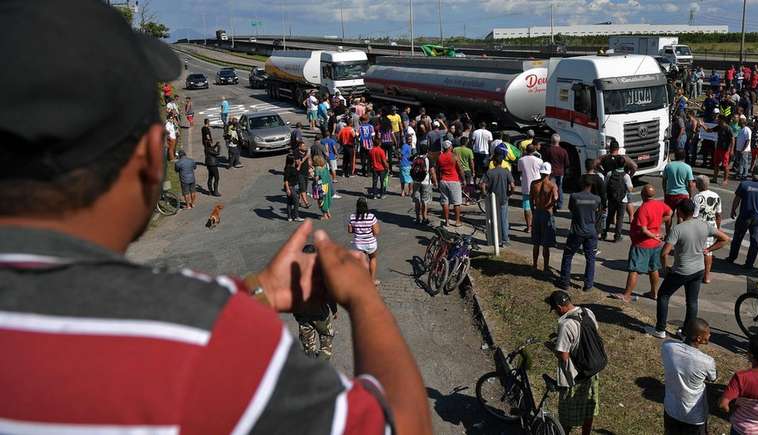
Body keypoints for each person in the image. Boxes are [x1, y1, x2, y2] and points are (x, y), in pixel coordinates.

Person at [0, 2, 433, 432]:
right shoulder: (200, 336)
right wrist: (363, 296)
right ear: (153, 158)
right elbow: (401, 424)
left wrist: (259, 291)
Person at [644, 200, 729, 339]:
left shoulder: (678, 229)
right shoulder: (704, 224)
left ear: (680, 212)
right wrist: (708, 249)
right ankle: (687, 333)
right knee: (692, 302)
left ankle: (660, 329)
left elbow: (664, 253)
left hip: (681, 270)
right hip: (699, 269)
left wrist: (665, 268)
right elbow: (725, 239)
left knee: (664, 295)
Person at [548, 291, 601, 435]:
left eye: (555, 310)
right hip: (592, 370)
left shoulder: (566, 324)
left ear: (559, 307)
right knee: (588, 410)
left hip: (575, 376)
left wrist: (554, 348)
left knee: (566, 417)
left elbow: (564, 356)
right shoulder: (587, 312)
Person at [661, 318, 717, 435]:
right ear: (699, 338)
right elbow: (713, 378)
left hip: (671, 409)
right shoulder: (707, 361)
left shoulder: (667, 347)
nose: (710, 335)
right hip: (694, 416)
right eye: (708, 333)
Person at [616, 185, 672, 302]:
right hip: (655, 244)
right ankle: (654, 293)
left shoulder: (643, 208)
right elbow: (670, 212)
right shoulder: (659, 204)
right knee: (653, 268)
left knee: (634, 270)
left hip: (642, 244)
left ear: (642, 195)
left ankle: (627, 295)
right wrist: (658, 223)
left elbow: (644, 230)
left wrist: (653, 234)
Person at [719, 334, 758, 435]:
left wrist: (732, 412)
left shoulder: (741, 377)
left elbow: (723, 404)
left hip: (741, 429)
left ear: (750, 355)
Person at [557, 177, 602, 291]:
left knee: (568, 255)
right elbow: (598, 212)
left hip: (577, 230)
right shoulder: (597, 199)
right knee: (590, 258)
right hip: (591, 231)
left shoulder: (574, 196)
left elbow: (571, 209)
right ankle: (588, 284)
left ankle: (564, 282)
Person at [728, 165, 758, 269]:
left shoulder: (744, 185)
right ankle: (749, 264)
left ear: (752, 174)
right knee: (754, 241)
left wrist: (733, 210)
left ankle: (731, 258)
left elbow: (737, 199)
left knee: (737, 238)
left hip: (744, 217)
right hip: (757, 218)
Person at [480, 151, 516, 247]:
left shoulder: (489, 172)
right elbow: (513, 186)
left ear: (494, 162)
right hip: (503, 199)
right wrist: (509, 194)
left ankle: (492, 239)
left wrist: (484, 194)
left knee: (491, 219)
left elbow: (482, 184)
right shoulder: (506, 171)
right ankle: (505, 240)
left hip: (492, 199)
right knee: (503, 220)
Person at [692, 176, 722, 284]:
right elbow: (718, 214)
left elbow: (694, 215)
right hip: (711, 226)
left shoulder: (697, 197)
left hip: (699, 227)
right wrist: (717, 228)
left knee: (696, 250)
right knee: (708, 252)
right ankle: (706, 276)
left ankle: (694, 273)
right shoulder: (716, 196)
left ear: (699, 185)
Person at [530, 162, 558, 272]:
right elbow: (555, 198)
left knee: (536, 242)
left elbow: (530, 199)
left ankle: (535, 265)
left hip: (537, 212)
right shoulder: (552, 185)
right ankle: (546, 267)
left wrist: (533, 210)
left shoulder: (534, 184)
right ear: (550, 172)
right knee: (546, 244)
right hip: (547, 213)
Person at [349, 197, 381, 285]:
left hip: (358, 244)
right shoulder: (371, 217)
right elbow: (376, 231)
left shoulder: (352, 217)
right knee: (372, 258)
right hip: (370, 243)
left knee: (360, 262)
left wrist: (358, 230)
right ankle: (371, 280)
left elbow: (350, 230)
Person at [663, 149, 696, 233]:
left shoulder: (668, 166)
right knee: (681, 216)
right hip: (683, 195)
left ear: (675, 156)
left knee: (669, 214)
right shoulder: (687, 167)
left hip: (670, 194)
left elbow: (664, 181)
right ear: (684, 156)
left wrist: (665, 192)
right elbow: (690, 184)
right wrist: (690, 195)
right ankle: (679, 234)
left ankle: (668, 233)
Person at [435, 140, 464, 226]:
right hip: (454, 180)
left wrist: (438, 180)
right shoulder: (454, 156)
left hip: (443, 181)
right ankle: (457, 221)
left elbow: (437, 170)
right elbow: (460, 169)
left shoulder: (440, 157)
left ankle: (447, 221)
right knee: (457, 202)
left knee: (445, 202)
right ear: (450, 147)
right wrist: (463, 179)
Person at [603, 160, 632, 242]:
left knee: (609, 217)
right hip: (622, 200)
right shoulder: (626, 176)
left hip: (611, 198)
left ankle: (604, 234)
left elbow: (605, 186)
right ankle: (617, 237)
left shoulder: (610, 173)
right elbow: (630, 189)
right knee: (620, 218)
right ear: (624, 165)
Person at [519, 144, 544, 234]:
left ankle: (529, 227)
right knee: (538, 207)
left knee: (527, 207)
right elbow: (542, 172)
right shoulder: (539, 161)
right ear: (534, 151)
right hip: (537, 186)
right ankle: (537, 226)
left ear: (526, 150)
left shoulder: (521, 160)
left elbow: (520, 170)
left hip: (526, 186)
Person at [703, 116, 735, 185]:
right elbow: (708, 130)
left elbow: (733, 139)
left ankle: (725, 180)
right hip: (718, 148)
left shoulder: (728, 128)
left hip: (725, 149)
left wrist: (731, 150)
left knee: (725, 165)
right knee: (716, 164)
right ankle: (714, 178)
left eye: (718, 119)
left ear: (722, 120)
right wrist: (703, 125)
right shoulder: (718, 127)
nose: (717, 120)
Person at [542, 134, 570, 210]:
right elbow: (567, 163)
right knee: (560, 188)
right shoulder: (563, 151)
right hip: (561, 173)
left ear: (551, 140)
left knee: (551, 188)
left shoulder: (548, 150)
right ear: (559, 141)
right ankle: (560, 205)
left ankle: (552, 203)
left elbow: (545, 161)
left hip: (551, 173)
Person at [412, 143, 434, 225]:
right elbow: (432, 171)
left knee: (417, 200)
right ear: (427, 151)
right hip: (425, 181)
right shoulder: (428, 159)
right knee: (425, 200)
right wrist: (435, 181)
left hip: (416, 181)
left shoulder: (415, 157)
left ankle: (418, 217)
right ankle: (424, 217)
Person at [283, 153, 302, 222]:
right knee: (296, 201)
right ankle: (296, 216)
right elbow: (286, 180)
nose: (295, 160)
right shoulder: (288, 169)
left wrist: (299, 164)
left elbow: (297, 171)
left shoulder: (291, 167)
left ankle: (289, 217)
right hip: (291, 187)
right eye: (294, 159)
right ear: (291, 160)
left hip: (293, 186)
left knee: (289, 202)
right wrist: (288, 189)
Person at [312, 155, 332, 220]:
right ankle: (328, 213)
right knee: (326, 199)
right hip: (327, 185)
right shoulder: (325, 166)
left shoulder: (317, 168)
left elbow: (316, 178)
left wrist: (312, 176)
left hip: (320, 187)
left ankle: (324, 215)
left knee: (321, 201)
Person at [294, 141, 312, 209]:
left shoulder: (306, 150)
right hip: (300, 173)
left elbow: (309, 159)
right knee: (302, 188)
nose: (305, 147)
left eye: (305, 146)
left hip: (306, 172)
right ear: (299, 147)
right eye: (303, 146)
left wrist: (310, 166)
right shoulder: (296, 152)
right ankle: (306, 203)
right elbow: (298, 163)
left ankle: (299, 202)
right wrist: (305, 157)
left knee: (304, 188)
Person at [735, 115, 753, 180]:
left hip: (744, 150)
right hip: (739, 149)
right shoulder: (740, 129)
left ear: (742, 122)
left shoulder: (747, 130)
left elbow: (748, 140)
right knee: (740, 162)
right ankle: (740, 173)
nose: (738, 123)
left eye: (739, 121)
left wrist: (743, 149)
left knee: (744, 162)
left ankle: (744, 175)